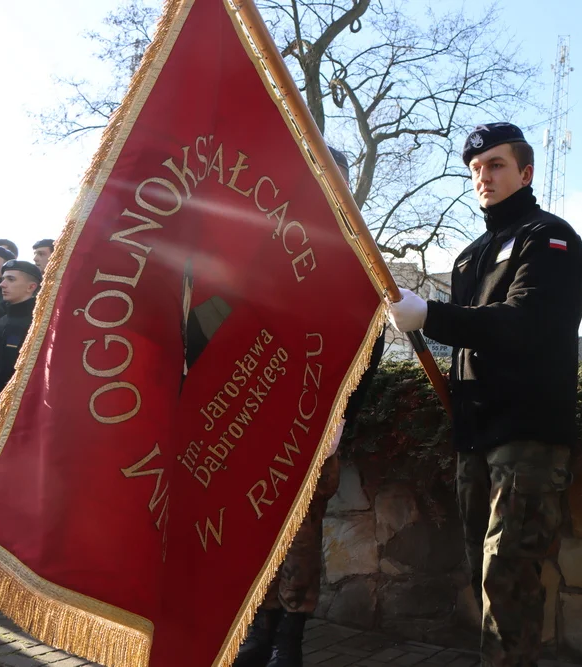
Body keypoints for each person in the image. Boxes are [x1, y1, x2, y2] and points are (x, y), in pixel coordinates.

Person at [387, 122, 582, 666]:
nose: (484, 177)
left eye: (496, 165)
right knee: (483, 570)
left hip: (525, 432)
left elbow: (525, 322)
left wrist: (431, 315)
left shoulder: (551, 238)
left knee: (510, 576)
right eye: (475, 169)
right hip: (475, 431)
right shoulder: (471, 254)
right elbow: (469, 339)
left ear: (525, 172)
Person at [235, 146, 385, 667]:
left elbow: (370, 346)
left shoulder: (358, 252)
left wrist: (340, 415)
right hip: (259, 414)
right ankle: (257, 627)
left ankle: (289, 638)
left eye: (331, 175)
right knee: (256, 529)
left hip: (316, 422)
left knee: (300, 535)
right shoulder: (264, 244)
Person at [0, 260, 42, 422]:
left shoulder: (38, 324)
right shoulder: (0, 322)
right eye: (3, 279)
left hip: (17, 413)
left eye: (11, 279)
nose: (2, 284)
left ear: (31, 287)